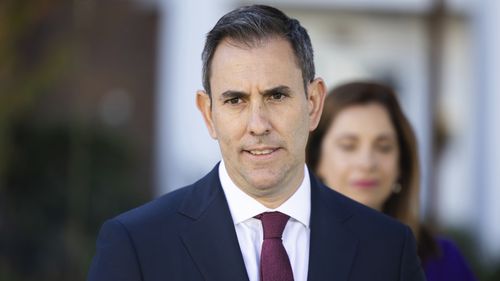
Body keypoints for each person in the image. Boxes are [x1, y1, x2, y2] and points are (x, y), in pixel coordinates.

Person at [87, 5, 425, 281]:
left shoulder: (387, 248)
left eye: (276, 96)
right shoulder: (137, 245)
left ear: (313, 103)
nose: (258, 125)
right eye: (235, 100)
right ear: (208, 114)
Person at [307, 81, 476, 281]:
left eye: (384, 147)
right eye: (349, 146)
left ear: (401, 165)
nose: (367, 163)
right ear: (317, 160)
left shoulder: (442, 260)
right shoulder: (289, 250)